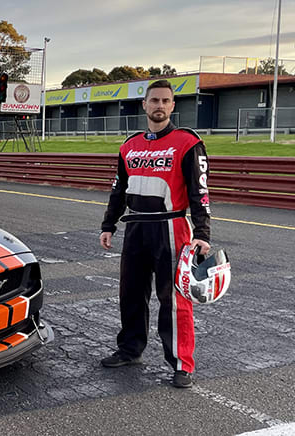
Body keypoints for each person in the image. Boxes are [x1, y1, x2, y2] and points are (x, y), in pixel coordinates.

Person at [99, 79, 211, 388]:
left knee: (173, 299)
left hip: (172, 228)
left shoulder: (188, 142)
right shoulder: (129, 145)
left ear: (173, 106)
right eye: (154, 100)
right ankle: (130, 349)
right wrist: (108, 225)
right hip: (135, 227)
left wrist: (202, 232)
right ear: (144, 105)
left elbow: (200, 192)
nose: (159, 105)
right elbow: (118, 189)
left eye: (165, 101)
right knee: (131, 294)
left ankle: (181, 363)